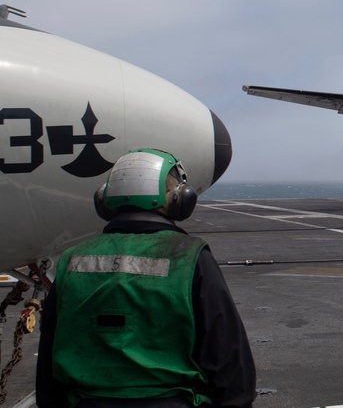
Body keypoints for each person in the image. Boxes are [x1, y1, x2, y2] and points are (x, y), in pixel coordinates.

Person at [37, 149, 256, 408]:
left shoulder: (72, 259)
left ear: (104, 199)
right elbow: (227, 351)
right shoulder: (189, 256)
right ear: (180, 199)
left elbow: (51, 355)